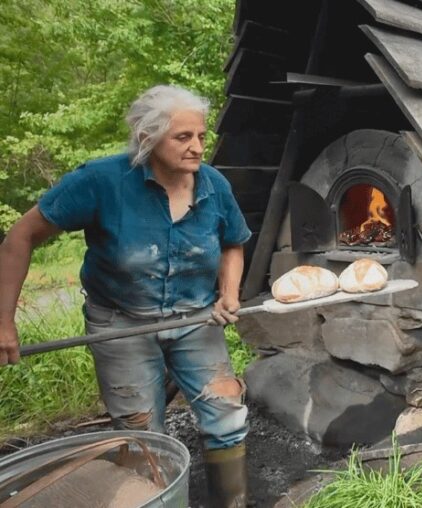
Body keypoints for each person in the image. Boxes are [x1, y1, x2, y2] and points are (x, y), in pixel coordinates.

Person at [0, 85, 250, 508]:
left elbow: (233, 242)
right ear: (148, 138)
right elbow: (20, 236)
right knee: (142, 435)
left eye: (201, 136)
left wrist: (228, 293)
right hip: (121, 323)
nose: (197, 148)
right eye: (183, 137)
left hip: (194, 319)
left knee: (226, 413)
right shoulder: (100, 181)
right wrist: (4, 320)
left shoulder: (214, 185)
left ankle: (232, 503)